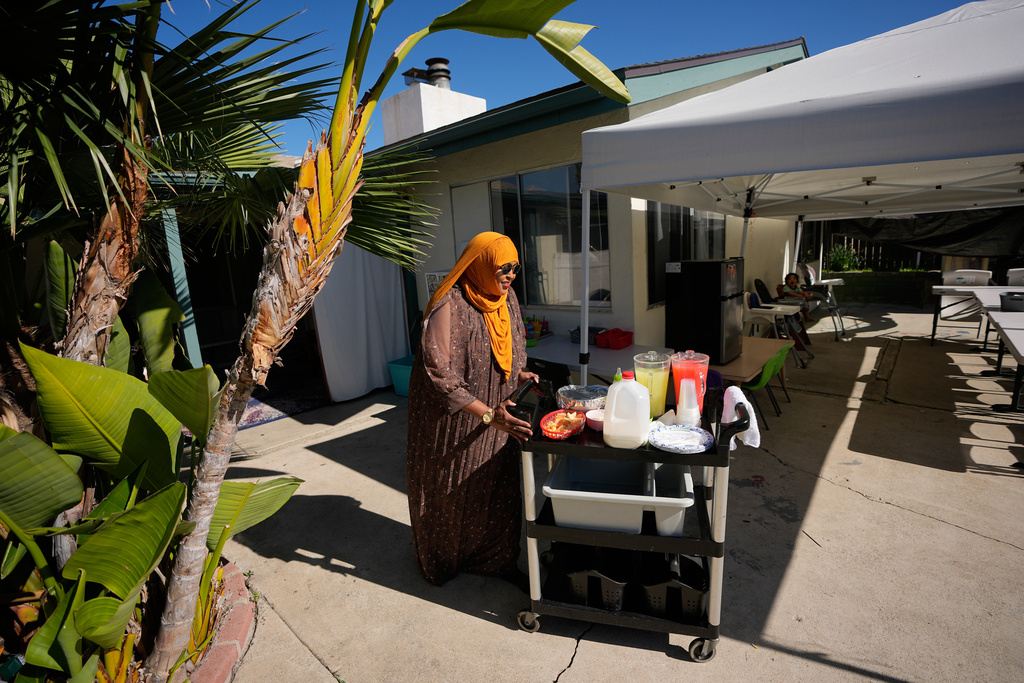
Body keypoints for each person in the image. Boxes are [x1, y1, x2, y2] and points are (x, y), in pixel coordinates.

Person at [406, 232, 539, 589]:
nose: (510, 275)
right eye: (502, 268)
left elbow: (512, 347)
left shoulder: (506, 299)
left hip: (497, 411)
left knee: (496, 486)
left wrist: (518, 373)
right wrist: (487, 414)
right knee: (450, 492)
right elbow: (438, 374)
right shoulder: (449, 304)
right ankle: (445, 558)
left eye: (515, 268)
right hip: (454, 420)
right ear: (480, 264)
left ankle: (494, 558)